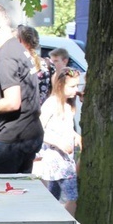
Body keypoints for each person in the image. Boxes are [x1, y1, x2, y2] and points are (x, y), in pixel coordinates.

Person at [0, 3, 43, 174]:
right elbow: (21, 91)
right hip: (29, 133)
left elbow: (13, 102)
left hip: (14, 137)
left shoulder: (6, 56)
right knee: (16, 194)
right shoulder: (17, 49)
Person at [36, 67, 82, 216]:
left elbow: (66, 128)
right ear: (61, 85)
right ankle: (68, 223)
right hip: (55, 160)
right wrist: (58, 143)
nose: (75, 90)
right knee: (73, 197)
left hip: (66, 159)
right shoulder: (51, 103)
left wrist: (75, 135)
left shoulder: (68, 105)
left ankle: (51, 221)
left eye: (77, 86)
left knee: (53, 196)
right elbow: (38, 130)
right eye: (72, 86)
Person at [17, 24, 54, 104]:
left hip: (25, 112)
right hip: (42, 111)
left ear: (21, 41)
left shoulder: (21, 64)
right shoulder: (46, 63)